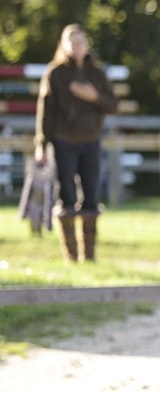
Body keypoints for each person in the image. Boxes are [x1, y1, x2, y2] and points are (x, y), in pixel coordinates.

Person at [34, 24, 117, 262]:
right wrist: (42, 143)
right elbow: (46, 111)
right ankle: (70, 256)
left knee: (92, 195)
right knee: (67, 195)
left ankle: (89, 256)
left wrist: (93, 96)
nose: (78, 45)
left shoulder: (97, 74)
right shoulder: (56, 73)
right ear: (64, 45)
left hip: (91, 139)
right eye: (72, 41)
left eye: (81, 41)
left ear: (87, 44)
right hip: (64, 140)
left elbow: (112, 105)